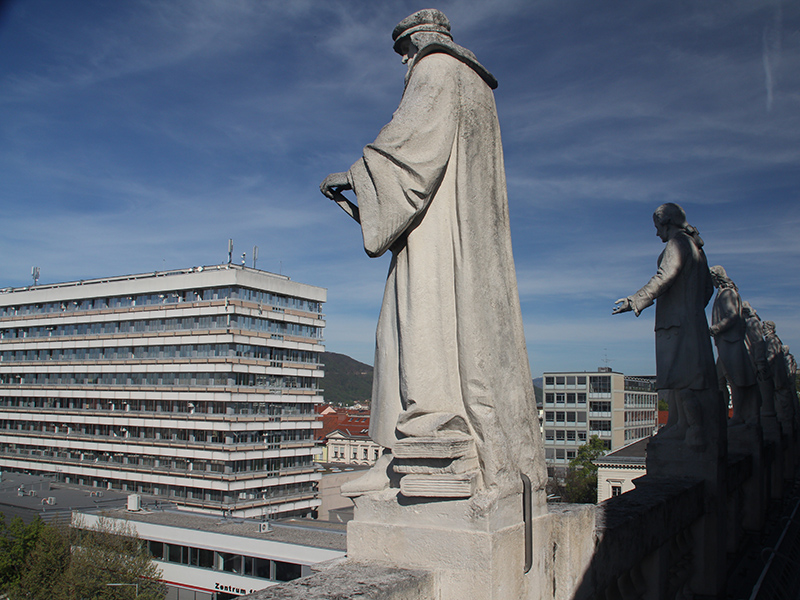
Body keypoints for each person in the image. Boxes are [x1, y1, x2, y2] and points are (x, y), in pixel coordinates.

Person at [320, 9, 544, 499]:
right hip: (462, 228)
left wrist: (355, 176)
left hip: (435, 231)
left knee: (409, 327)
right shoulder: (478, 86)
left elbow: (408, 146)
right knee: (433, 329)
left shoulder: (435, 67)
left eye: (403, 51)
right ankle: (407, 450)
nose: (403, 61)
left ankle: (421, 445)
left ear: (417, 41)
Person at [613, 203, 717, 448]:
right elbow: (708, 289)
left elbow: (664, 276)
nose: (656, 233)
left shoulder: (677, 244)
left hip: (676, 322)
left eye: (657, 227)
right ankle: (678, 424)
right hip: (691, 319)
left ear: (666, 223)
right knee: (686, 376)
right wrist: (692, 308)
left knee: (682, 377)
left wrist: (635, 300)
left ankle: (693, 429)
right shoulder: (697, 248)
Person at [708, 266, 758, 426]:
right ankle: (723, 414)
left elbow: (732, 316)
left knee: (736, 379)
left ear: (716, 277)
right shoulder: (723, 293)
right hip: (725, 342)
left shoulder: (727, 293)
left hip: (731, 342)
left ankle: (740, 415)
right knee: (720, 379)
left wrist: (716, 328)